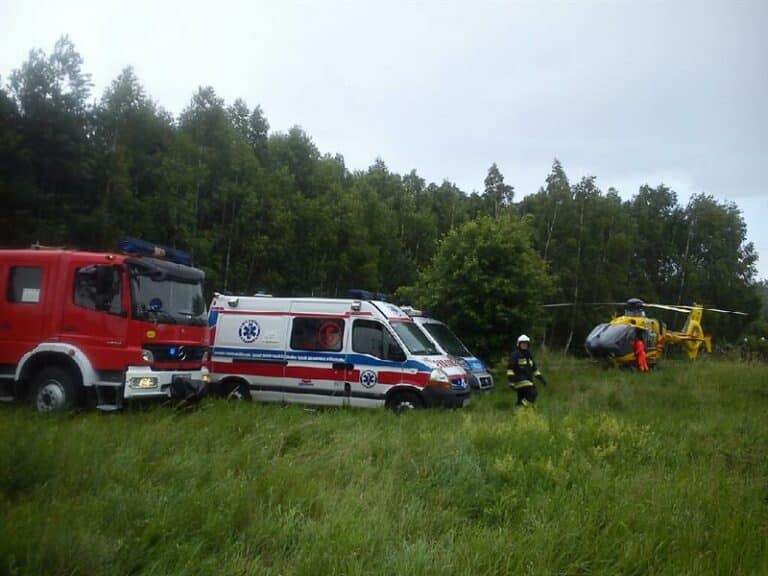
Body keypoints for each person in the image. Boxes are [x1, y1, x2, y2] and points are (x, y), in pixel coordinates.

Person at [507, 334, 547, 406]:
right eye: (522, 343)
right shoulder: (515, 355)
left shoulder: (529, 356)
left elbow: (534, 370)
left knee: (522, 398)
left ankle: (520, 408)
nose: (524, 345)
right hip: (519, 380)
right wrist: (511, 382)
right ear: (518, 344)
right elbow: (510, 369)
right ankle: (523, 406)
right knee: (533, 393)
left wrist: (542, 379)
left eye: (526, 343)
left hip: (528, 380)